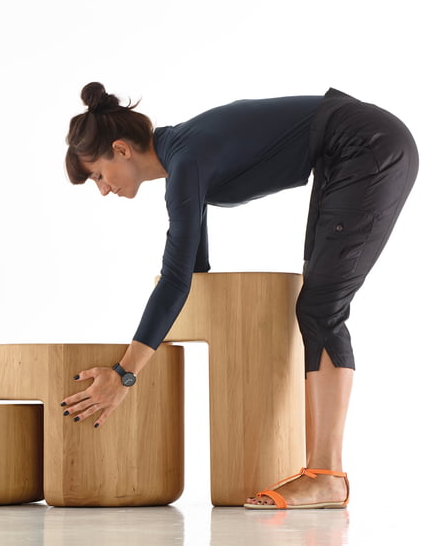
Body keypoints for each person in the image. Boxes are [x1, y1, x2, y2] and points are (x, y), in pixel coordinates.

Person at [61, 82, 418, 509]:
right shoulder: (183, 161)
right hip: (345, 149)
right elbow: (194, 271)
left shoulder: (186, 160)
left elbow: (177, 280)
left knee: (322, 306)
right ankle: (322, 474)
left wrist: (124, 374)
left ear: (121, 149)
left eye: (98, 175)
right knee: (317, 301)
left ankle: (326, 476)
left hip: (365, 144)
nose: (103, 189)